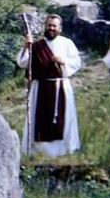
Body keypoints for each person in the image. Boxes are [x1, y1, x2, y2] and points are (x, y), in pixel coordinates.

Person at [17, 15, 81, 157]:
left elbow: (76, 62)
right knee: (39, 118)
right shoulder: (37, 45)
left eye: (54, 26)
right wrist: (26, 47)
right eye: (49, 25)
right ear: (45, 26)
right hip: (40, 88)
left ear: (60, 28)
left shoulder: (67, 43)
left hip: (60, 86)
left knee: (63, 118)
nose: (51, 28)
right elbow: (23, 63)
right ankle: (39, 150)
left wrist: (63, 61)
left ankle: (63, 150)